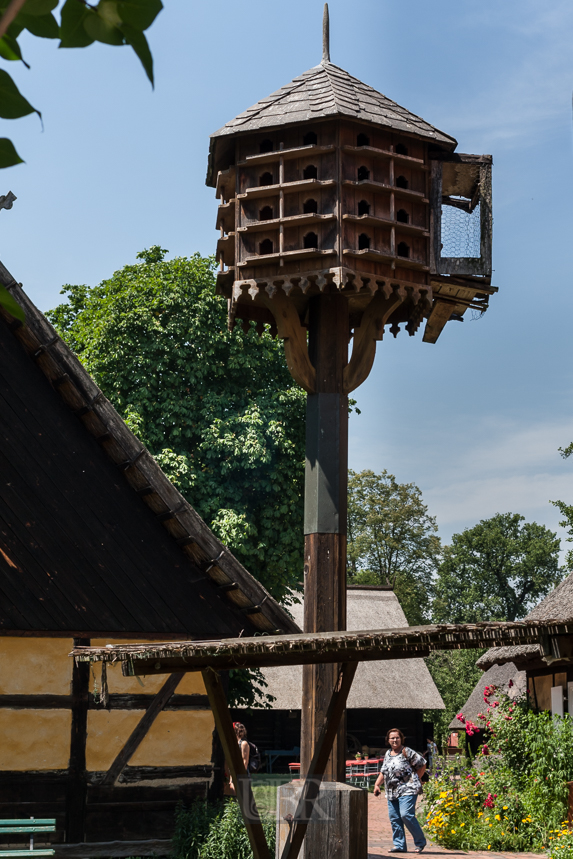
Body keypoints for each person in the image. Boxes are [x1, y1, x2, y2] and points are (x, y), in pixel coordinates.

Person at [373, 728, 427, 853]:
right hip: (392, 791)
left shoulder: (406, 751)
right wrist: (377, 785)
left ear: (401, 738)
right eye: (392, 738)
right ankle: (399, 845)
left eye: (397, 737)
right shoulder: (387, 754)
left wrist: (415, 779)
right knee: (395, 817)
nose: (394, 740)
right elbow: (384, 771)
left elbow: (422, 764)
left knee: (406, 815)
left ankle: (420, 842)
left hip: (408, 789)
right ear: (388, 740)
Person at [228, 722, 250, 794]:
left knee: (239, 793)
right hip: (233, 770)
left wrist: (240, 774)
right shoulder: (235, 743)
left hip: (240, 773)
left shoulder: (243, 743)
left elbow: (245, 761)